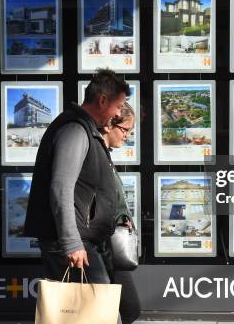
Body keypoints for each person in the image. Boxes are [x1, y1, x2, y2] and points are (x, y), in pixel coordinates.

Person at [24, 68, 130, 286]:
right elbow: (61, 187)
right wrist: (71, 242)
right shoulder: (75, 130)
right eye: (118, 106)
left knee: (93, 312)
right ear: (102, 100)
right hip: (74, 242)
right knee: (98, 313)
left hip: (84, 239)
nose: (118, 114)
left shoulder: (85, 128)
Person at [100, 102, 141, 324]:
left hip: (109, 247)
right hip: (101, 248)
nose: (127, 136)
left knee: (123, 310)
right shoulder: (96, 155)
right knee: (129, 308)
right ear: (109, 125)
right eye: (125, 130)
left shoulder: (105, 156)